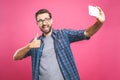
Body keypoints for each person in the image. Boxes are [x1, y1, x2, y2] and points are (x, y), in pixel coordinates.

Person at [13, 6, 105, 80]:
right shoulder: (35, 42)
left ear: (51, 20)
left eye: (46, 19)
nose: (44, 23)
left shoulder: (63, 35)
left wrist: (100, 23)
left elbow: (86, 33)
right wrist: (29, 46)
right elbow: (16, 56)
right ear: (37, 23)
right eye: (40, 21)